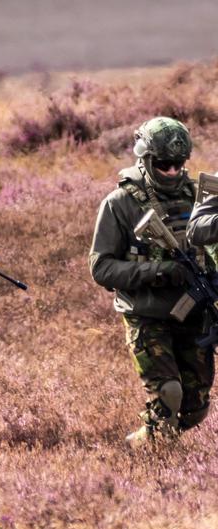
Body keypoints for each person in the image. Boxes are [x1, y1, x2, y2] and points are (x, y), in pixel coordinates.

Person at [90, 116, 213, 445]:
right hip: (147, 315)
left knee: (196, 407)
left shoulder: (201, 197)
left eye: (178, 164)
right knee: (169, 393)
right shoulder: (120, 203)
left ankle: (150, 439)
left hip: (195, 314)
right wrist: (159, 272)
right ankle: (145, 456)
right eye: (163, 164)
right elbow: (101, 268)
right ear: (144, 159)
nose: (172, 171)